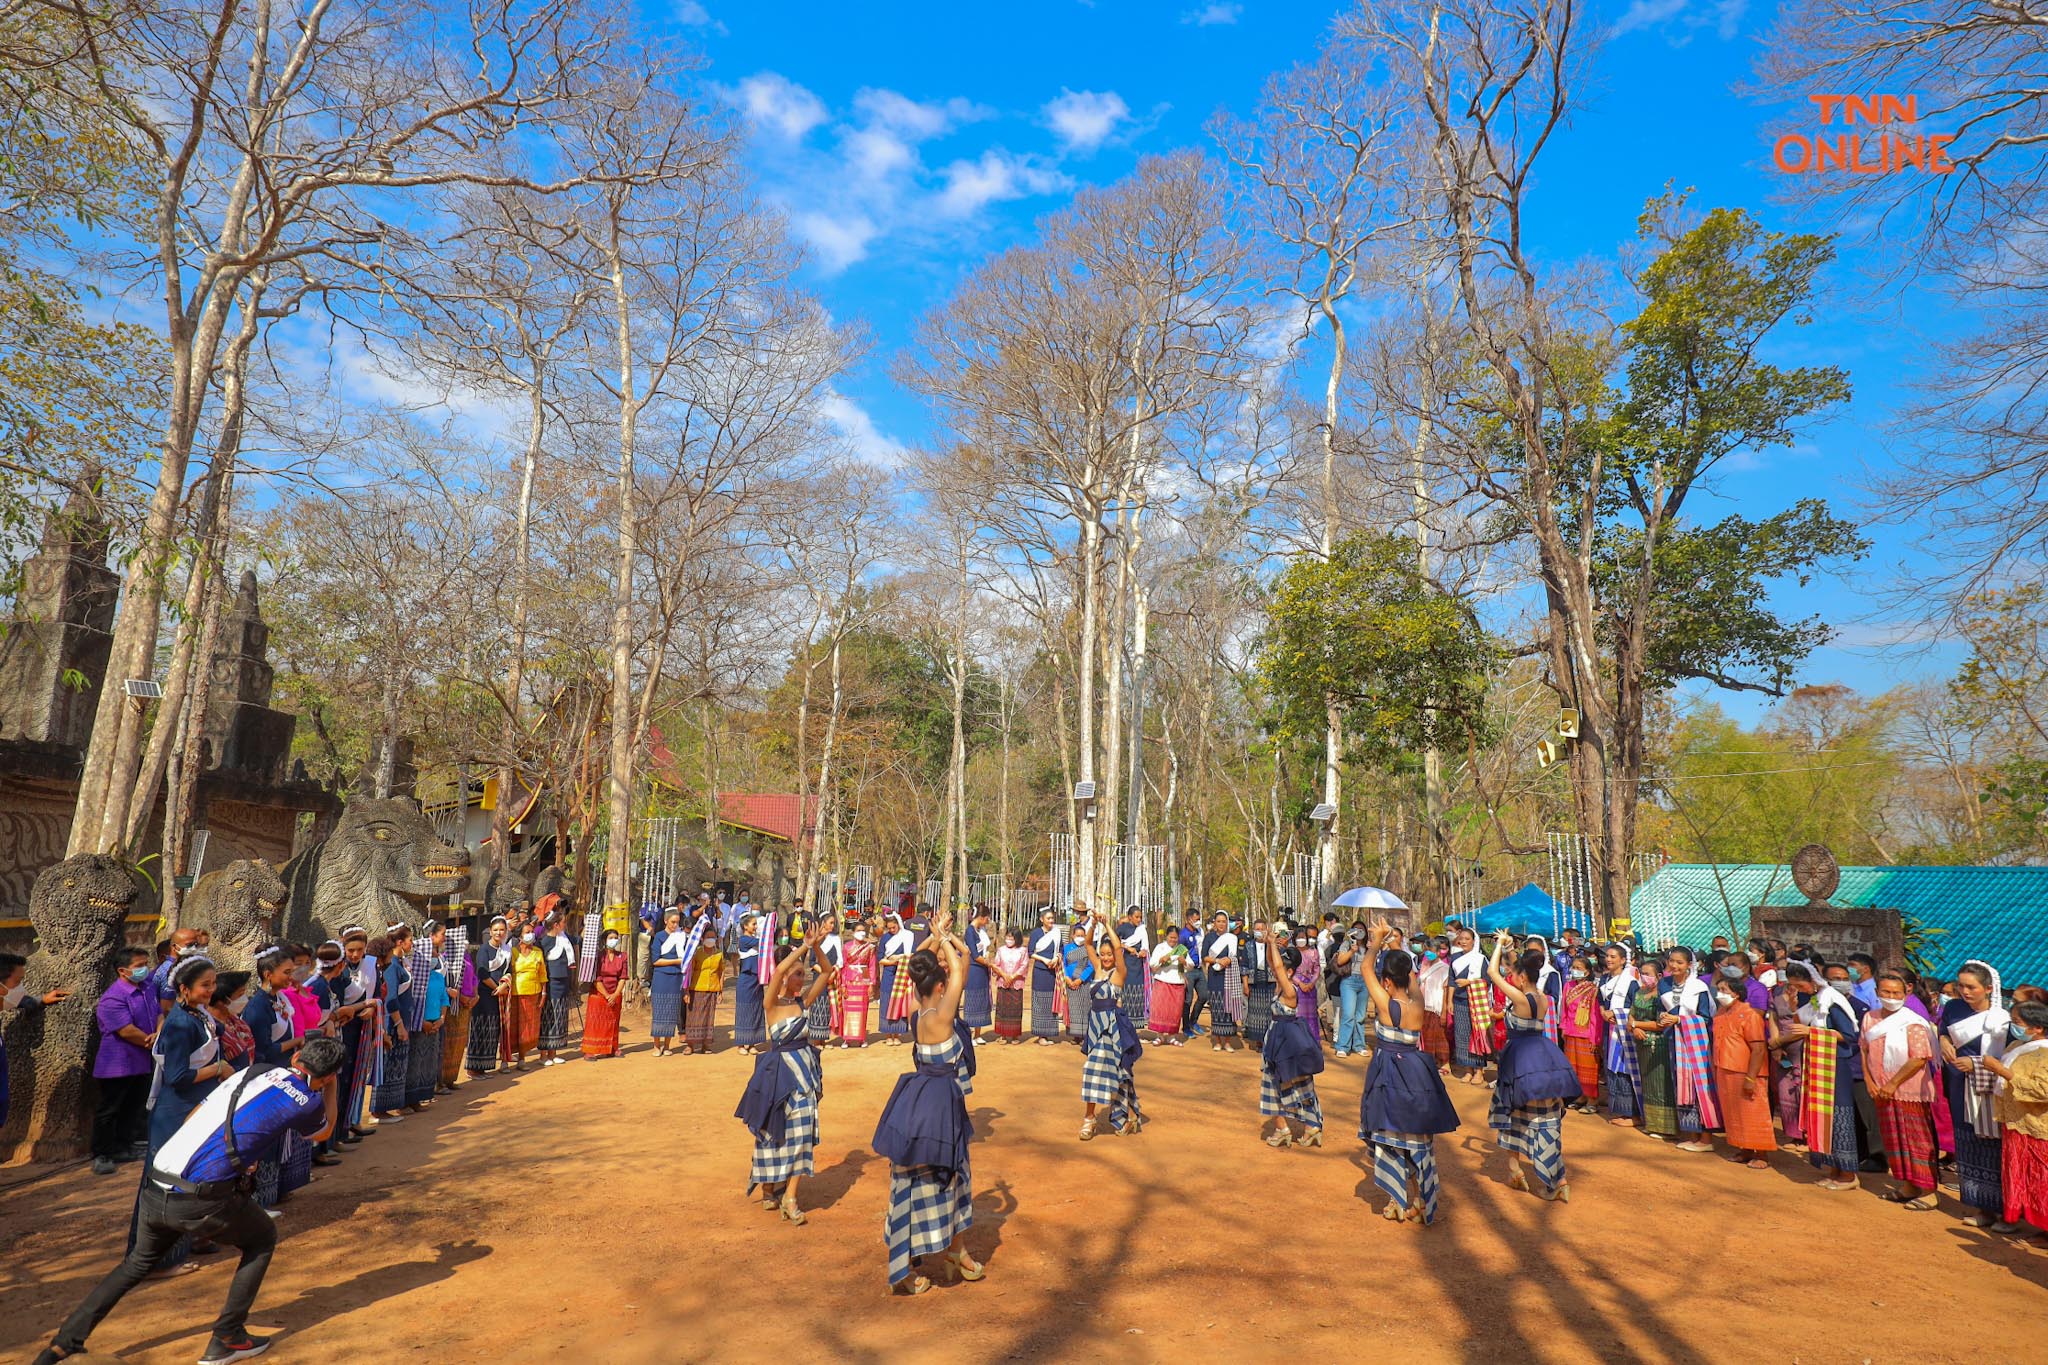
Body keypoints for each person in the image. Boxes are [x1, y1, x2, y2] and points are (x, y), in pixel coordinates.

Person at [33, 1034, 347, 1365]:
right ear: (327, 1075)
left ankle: (62, 1343)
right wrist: (330, 1088)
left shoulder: (252, 1073)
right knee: (262, 1239)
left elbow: (194, 1116)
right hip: (201, 1199)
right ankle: (228, 1337)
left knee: (136, 1263)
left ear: (298, 1055)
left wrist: (234, 1155)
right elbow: (323, 1131)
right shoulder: (307, 1100)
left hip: (157, 1184)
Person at [872, 911, 982, 1295]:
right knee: (941, 1175)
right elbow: (956, 967)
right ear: (939, 985)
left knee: (934, 1175)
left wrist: (934, 937)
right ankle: (921, 1258)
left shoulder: (915, 1009)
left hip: (919, 1099)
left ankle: (956, 1251)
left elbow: (920, 962)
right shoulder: (943, 1011)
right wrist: (946, 939)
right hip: (939, 1105)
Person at [1357, 920, 1460, 1225]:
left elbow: (1365, 969)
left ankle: (1397, 1201)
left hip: (1389, 1070)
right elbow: (1411, 975)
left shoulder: (1387, 1003)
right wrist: (1393, 944)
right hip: (1417, 1070)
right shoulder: (1417, 1001)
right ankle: (1421, 1199)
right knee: (1417, 1138)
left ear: (1386, 981)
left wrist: (1376, 941)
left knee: (1390, 1134)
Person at [735, 936, 838, 1225]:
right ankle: (769, 1185)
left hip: (805, 1076)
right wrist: (802, 948)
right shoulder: (771, 1004)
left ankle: (790, 1196)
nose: (801, 979)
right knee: (773, 1132)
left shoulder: (804, 1002)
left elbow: (828, 972)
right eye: (797, 974)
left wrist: (816, 947)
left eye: (803, 974)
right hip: (778, 1077)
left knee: (803, 1134)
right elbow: (778, 973)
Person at [1485, 931, 1581, 1201]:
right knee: (1532, 1115)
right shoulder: (1541, 998)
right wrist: (1508, 947)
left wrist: (1497, 949)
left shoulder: (1519, 999)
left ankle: (1552, 1179)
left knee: (1522, 1114)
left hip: (1521, 1060)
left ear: (1522, 978)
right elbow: (1515, 968)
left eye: (1514, 975)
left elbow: (1493, 972)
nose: (1510, 977)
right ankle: (1517, 1170)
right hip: (1543, 1057)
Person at [1941, 959, 2018, 1230]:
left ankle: (2005, 1212)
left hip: (1989, 1090)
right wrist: (1945, 1042)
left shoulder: (2003, 1020)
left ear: (1987, 988)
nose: (1965, 991)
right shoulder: (1952, 1008)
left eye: (1971, 987)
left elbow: (2009, 1057)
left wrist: (1975, 1063)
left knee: (1993, 1147)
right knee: (1968, 1143)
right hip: (1959, 1084)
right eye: (1961, 986)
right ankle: (1981, 1207)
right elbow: (1943, 1032)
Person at [1864, 969, 1940, 1208]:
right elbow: (1864, 1050)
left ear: (1905, 994)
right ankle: (1907, 1185)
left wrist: (1892, 1084)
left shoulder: (1912, 1022)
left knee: (1917, 1140)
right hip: (1880, 1089)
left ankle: (1927, 1190)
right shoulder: (1870, 1018)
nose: (1891, 996)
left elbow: (1919, 1058)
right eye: (1886, 991)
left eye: (1896, 992)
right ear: (1877, 992)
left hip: (1910, 1091)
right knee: (1894, 1139)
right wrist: (1870, 1082)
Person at [1787, 961, 1863, 1191]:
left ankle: (1848, 1174)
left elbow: (1848, 1035)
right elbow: (1800, 1022)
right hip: (1819, 1063)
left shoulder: (1832, 1000)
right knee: (1823, 1116)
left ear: (1812, 980)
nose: (1799, 990)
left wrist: (1812, 1032)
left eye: (1800, 985)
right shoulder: (1815, 998)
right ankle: (1833, 1170)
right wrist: (1794, 1006)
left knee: (1839, 1115)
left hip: (1836, 1065)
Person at [1981, 998, 2048, 1245]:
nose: (2014, 1027)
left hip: (2038, 1126)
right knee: (2022, 1176)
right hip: (2015, 1122)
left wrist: (2002, 1071)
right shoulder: (2019, 1045)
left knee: (2041, 1178)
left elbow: (2043, 1091)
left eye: (2018, 1023)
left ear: (2037, 1027)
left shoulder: (2045, 1053)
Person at [1078, 909, 1146, 1140]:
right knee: (1092, 1070)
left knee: (1120, 1074)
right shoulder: (1097, 969)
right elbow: (1088, 944)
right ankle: (1089, 1119)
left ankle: (1126, 1118)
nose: (1106, 957)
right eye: (1103, 954)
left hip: (1113, 1031)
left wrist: (1107, 926)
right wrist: (1093, 923)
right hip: (1096, 1029)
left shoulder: (1119, 973)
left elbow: (1118, 948)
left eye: (1109, 955)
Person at [91, 947, 159, 1174]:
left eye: (145, 964)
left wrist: (157, 1033)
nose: (144, 969)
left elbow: (159, 1013)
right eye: (139, 966)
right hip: (118, 1062)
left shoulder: (147, 988)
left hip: (141, 1059)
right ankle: (102, 1152)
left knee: (134, 1105)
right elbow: (126, 1031)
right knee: (110, 1109)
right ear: (122, 971)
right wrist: (150, 1042)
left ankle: (123, 1146)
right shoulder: (113, 998)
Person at [1653, 947, 1720, 1153]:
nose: (1674, 966)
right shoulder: (1664, 984)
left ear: (1689, 965)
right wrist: (1663, 1018)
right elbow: (1660, 1010)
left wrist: (1680, 1019)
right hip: (1674, 1040)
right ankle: (1692, 1134)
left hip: (1696, 1044)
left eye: (1679, 962)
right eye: (1671, 961)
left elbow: (1706, 1017)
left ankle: (1706, 1138)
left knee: (1700, 1087)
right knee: (1681, 1084)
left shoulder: (1698, 987)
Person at [1260, 939, 1325, 1148]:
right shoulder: (1282, 984)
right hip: (1280, 1040)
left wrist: (1271, 941)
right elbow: (1273, 963)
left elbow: (1277, 966)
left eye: (1282, 970)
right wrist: (1272, 945)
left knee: (1278, 1085)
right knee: (1296, 1084)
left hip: (1285, 1042)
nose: (1277, 972)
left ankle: (1284, 1130)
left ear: (1290, 972)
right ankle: (1310, 1127)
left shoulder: (1290, 990)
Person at [1712, 964, 1775, 1169]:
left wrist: (1750, 1077)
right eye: (1719, 990)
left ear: (1737, 994)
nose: (1720, 994)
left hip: (1746, 1072)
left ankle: (1762, 1154)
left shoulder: (1750, 1015)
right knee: (1733, 1113)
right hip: (1725, 1069)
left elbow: (1758, 1049)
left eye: (1725, 991)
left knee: (1754, 1111)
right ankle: (1744, 1149)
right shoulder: (1721, 1013)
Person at [1628, 957, 1678, 1141]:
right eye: (1642, 974)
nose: (1644, 977)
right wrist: (1634, 1026)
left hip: (1659, 1044)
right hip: (1641, 1043)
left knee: (1661, 1085)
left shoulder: (1663, 996)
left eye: (1647, 974)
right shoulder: (1639, 992)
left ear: (1658, 976)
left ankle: (1667, 1127)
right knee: (1648, 1084)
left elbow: (1661, 1023)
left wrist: (1637, 1025)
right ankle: (1652, 1123)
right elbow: (1630, 1017)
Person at [370, 928, 413, 1119]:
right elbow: (391, 999)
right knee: (388, 1065)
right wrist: (399, 1025)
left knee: (395, 1065)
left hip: (395, 1021)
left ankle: (389, 1106)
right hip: (391, 1023)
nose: (412, 943)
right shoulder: (392, 968)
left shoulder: (396, 965)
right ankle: (380, 1109)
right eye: (410, 939)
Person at [1599, 944, 1641, 1127]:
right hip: (1609, 1029)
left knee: (1625, 1068)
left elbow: (1635, 1006)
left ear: (1623, 960)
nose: (1609, 959)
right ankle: (1619, 1108)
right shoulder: (1604, 979)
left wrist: (1616, 1013)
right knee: (1611, 1066)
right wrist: (1603, 1011)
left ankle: (1632, 1113)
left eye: (1613, 957)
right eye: (1607, 956)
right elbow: (1601, 1001)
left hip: (1624, 1032)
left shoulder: (1631, 982)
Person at [1557, 949, 1604, 1111]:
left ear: (1587, 971)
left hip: (1586, 1034)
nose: (1574, 970)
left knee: (1588, 1068)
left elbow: (1594, 1016)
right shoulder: (1568, 986)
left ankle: (1592, 1099)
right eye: (1573, 966)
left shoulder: (1592, 990)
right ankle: (1581, 1095)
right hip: (1570, 1032)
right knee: (1573, 1067)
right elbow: (1564, 1009)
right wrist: (1563, 1028)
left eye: (1579, 967)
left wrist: (1594, 1038)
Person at [405, 927, 446, 1107]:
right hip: (420, 1025)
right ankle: (411, 1099)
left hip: (436, 1022)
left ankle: (424, 1095)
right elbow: (413, 1002)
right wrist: (421, 1022)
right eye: (431, 954)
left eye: (436, 954)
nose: (434, 957)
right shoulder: (414, 978)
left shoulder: (438, 977)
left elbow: (444, 998)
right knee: (416, 1062)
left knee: (429, 1061)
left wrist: (441, 1019)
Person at [1446, 926, 1493, 1083]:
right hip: (1459, 1001)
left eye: (1467, 939)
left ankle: (1479, 1071)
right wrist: (1449, 1001)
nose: (1463, 941)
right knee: (1461, 1034)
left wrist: (1469, 982)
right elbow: (1451, 981)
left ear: (1474, 941)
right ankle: (1467, 1069)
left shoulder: (1480, 959)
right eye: (1462, 938)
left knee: (1477, 1034)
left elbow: (1487, 981)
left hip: (1476, 1002)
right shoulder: (1455, 958)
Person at [466, 918, 510, 1077]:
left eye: (502, 930)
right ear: (490, 931)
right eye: (496, 930)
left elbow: (508, 970)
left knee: (492, 1030)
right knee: (481, 1029)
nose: (499, 933)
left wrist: (504, 985)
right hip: (484, 994)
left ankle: (483, 1067)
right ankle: (473, 1068)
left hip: (498, 996)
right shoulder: (484, 950)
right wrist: (496, 987)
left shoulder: (506, 950)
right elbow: (482, 973)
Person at [649, 907, 690, 1057]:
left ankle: (667, 1046)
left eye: (677, 923)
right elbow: (656, 960)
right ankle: (656, 1045)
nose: (675, 925)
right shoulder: (659, 936)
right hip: (661, 977)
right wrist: (676, 961)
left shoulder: (681, 937)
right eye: (672, 922)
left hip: (676, 978)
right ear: (666, 921)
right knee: (659, 1011)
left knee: (672, 1012)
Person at [539, 912, 577, 1065]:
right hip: (551, 983)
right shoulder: (544, 941)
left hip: (563, 982)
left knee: (559, 1016)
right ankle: (543, 1055)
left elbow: (578, 939)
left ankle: (553, 1052)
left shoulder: (564, 938)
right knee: (549, 1017)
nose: (565, 925)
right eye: (563, 922)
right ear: (556, 925)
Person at [583, 931, 628, 1059]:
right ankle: (590, 1050)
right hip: (599, 994)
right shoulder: (598, 956)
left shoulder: (623, 956)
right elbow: (596, 978)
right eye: (610, 938)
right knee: (596, 1023)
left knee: (613, 1023)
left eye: (615, 938)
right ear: (604, 940)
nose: (613, 940)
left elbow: (623, 977)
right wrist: (607, 995)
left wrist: (615, 994)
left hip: (615, 993)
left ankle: (612, 1048)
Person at [1200, 912, 1241, 1052]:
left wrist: (1229, 960)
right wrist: (1217, 960)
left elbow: (1236, 956)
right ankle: (1217, 1040)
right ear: (1214, 923)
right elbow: (1204, 957)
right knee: (1216, 1008)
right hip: (1215, 977)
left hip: (1229, 976)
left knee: (1228, 1009)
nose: (1221, 924)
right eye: (1219, 921)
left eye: (1224, 921)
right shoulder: (1209, 938)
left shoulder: (1232, 938)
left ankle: (1228, 1041)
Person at [1236, 919, 1277, 1047]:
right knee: (1255, 1011)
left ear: (1266, 930)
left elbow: (1277, 965)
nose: (1259, 931)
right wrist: (1246, 984)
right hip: (1254, 981)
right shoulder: (1248, 945)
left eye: (1261, 929)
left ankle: (1269, 1039)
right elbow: (1244, 966)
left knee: (1269, 1011)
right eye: (1257, 929)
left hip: (1270, 981)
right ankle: (1259, 1040)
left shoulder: (1271, 945)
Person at [686, 927, 725, 1056]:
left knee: (709, 1018)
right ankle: (690, 1045)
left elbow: (721, 972)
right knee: (694, 1018)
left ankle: (706, 1045)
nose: (711, 939)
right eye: (708, 937)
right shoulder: (696, 953)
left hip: (712, 989)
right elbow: (688, 972)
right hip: (696, 988)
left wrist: (721, 991)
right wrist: (686, 991)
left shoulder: (719, 953)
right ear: (702, 938)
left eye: (713, 937)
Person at [879, 913, 917, 1045]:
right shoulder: (885, 938)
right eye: (889, 928)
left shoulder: (907, 936)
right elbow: (880, 958)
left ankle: (898, 1034)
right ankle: (888, 1034)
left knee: (900, 1003)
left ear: (899, 924)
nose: (891, 930)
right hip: (889, 974)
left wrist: (900, 958)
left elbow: (912, 953)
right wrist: (891, 962)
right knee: (887, 1002)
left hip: (903, 974)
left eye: (893, 927)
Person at [1332, 923, 1369, 1058]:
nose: (1359, 931)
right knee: (1348, 1014)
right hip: (1349, 981)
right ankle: (1342, 1046)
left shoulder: (1368, 946)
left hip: (1365, 982)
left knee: (1360, 1016)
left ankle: (1359, 1045)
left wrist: (1372, 950)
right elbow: (1340, 961)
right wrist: (1352, 950)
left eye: (1362, 929)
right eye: (1356, 929)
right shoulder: (1346, 944)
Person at [838, 920, 876, 1048]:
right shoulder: (847, 947)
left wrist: (871, 983)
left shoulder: (870, 947)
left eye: (863, 930)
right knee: (848, 1009)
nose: (861, 933)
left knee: (862, 1009)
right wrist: (842, 984)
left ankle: (861, 1038)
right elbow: (843, 966)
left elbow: (872, 966)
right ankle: (847, 1039)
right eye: (858, 930)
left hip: (863, 980)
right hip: (850, 980)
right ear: (853, 932)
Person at [1147, 930, 1189, 1045]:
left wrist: (1184, 961)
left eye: (1175, 938)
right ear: (1167, 937)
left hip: (1177, 982)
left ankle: (1172, 1037)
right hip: (1162, 980)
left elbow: (1191, 965)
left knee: (1174, 1011)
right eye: (1171, 937)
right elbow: (1152, 964)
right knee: (1161, 1009)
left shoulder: (1182, 949)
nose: (1173, 940)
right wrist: (1161, 960)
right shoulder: (1160, 948)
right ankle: (1159, 1036)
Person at [733, 914, 768, 1051]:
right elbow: (763, 942)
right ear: (745, 926)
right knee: (745, 1010)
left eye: (756, 924)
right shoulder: (743, 940)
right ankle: (741, 1044)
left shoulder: (754, 939)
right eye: (753, 924)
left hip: (757, 980)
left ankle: (752, 1043)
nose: (755, 927)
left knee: (756, 1009)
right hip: (746, 980)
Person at [1060, 917, 1096, 1047]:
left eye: (1082, 935)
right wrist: (1068, 979)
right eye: (1078, 935)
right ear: (1072, 935)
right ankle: (1075, 1036)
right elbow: (1062, 964)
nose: (1080, 937)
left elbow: (1092, 966)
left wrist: (1080, 979)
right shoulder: (1067, 948)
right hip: (1070, 982)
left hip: (1084, 983)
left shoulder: (1089, 948)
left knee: (1084, 1009)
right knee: (1073, 1009)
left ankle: (1085, 1036)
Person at [962, 908, 995, 1041]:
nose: (988, 921)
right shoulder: (970, 931)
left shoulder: (981, 931)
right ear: (981, 917)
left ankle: (978, 1034)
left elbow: (986, 949)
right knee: (972, 1000)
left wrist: (988, 960)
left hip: (983, 969)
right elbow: (975, 955)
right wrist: (990, 964)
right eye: (987, 918)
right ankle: (969, 1034)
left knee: (982, 999)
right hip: (974, 969)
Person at [1116, 907, 1150, 1033]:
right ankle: (1124, 1029)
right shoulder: (1123, 928)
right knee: (1126, 996)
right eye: (1136, 917)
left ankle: (1135, 1031)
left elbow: (1145, 946)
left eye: (1140, 917)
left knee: (1138, 996)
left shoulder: (1142, 930)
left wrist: (1143, 951)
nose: (1139, 919)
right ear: (1130, 917)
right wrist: (1127, 947)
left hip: (1139, 966)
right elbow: (1112, 941)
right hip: (1126, 965)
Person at [992, 929, 1028, 1043]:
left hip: (1016, 983)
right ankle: (1002, 1034)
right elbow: (996, 965)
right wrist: (1004, 976)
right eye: (1008, 937)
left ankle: (1014, 1035)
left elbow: (1024, 965)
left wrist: (1012, 977)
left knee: (1015, 1009)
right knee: (1002, 1009)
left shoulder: (1023, 950)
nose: (1009, 940)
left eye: (1012, 938)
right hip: (1003, 983)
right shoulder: (1001, 950)